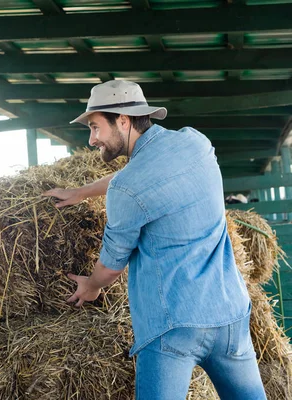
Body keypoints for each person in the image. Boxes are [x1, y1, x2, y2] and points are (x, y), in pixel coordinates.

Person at [43, 80, 266, 399]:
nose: (92, 140)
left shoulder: (126, 191)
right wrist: (81, 192)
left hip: (172, 328)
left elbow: (110, 267)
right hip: (229, 313)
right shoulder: (196, 144)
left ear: (123, 120)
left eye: (95, 127)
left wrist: (90, 286)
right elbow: (143, 176)